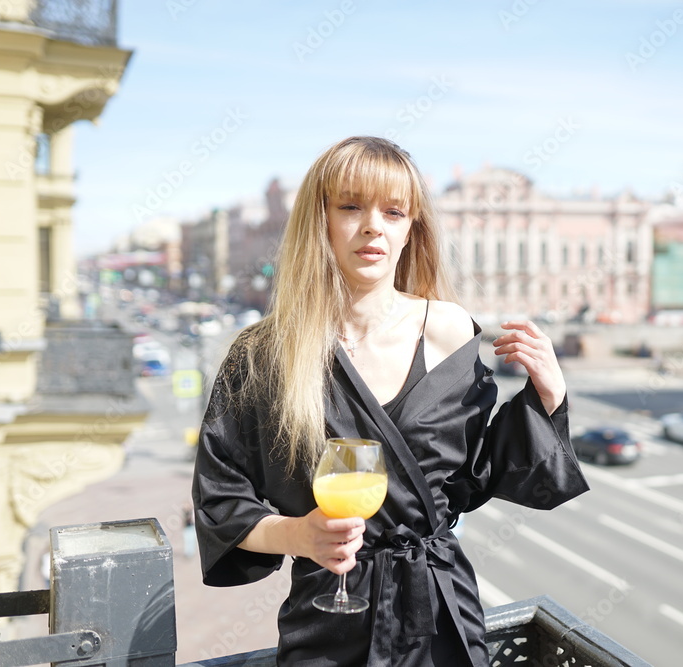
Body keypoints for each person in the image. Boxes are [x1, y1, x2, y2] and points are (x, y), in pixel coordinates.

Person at [192, 136, 588, 666]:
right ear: (321, 220)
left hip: (441, 614)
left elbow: (472, 477)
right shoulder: (264, 354)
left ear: (410, 230)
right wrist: (302, 535)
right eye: (351, 206)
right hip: (327, 622)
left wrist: (548, 395)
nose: (373, 225)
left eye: (394, 211)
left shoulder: (448, 329)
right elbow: (220, 501)